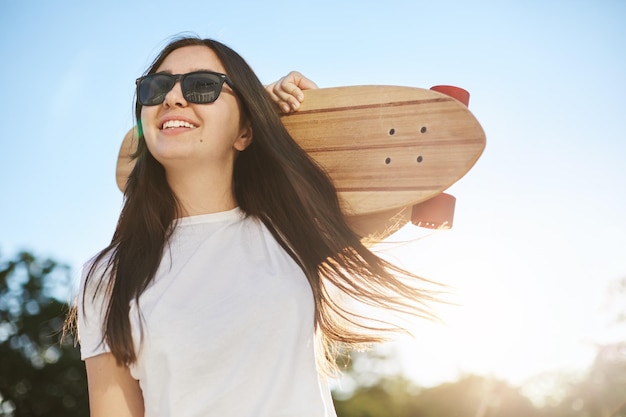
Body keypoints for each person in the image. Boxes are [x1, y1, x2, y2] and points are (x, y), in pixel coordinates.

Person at [75, 35, 439, 417]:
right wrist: (232, 106)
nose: (173, 98)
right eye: (157, 87)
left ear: (245, 133)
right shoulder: (106, 274)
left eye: (203, 86)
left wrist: (295, 112)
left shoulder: (292, 230)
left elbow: (390, 191)